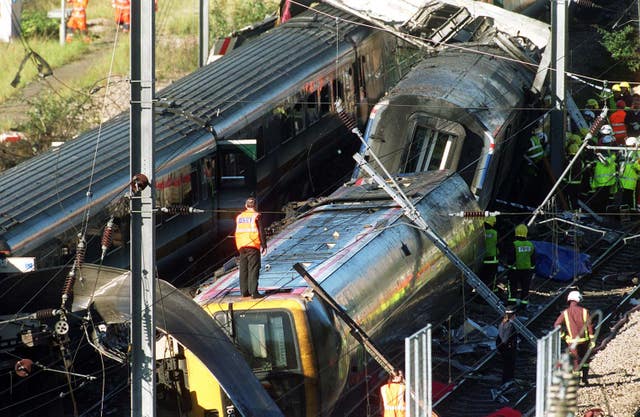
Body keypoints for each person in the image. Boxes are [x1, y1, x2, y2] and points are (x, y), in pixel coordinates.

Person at [554, 290, 595, 384]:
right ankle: (585, 379)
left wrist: (564, 336)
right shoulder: (585, 311)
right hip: (585, 341)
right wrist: (592, 339)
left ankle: (576, 382)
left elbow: (557, 325)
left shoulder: (565, 312)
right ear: (578, 299)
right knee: (585, 360)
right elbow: (590, 326)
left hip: (572, 342)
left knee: (575, 361)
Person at [235, 197, 267, 298]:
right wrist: (264, 245)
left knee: (243, 268)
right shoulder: (257, 216)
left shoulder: (239, 217)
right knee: (253, 268)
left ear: (246, 206)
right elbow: (261, 231)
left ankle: (244, 292)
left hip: (241, 245)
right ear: (255, 206)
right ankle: (254, 292)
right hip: (252, 244)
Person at [507, 224, 535, 306]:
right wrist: (532, 269)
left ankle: (511, 302)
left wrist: (509, 267)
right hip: (527, 270)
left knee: (513, 286)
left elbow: (511, 258)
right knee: (525, 287)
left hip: (515, 270)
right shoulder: (530, 245)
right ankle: (524, 303)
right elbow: (533, 259)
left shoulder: (514, 244)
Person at [589, 147, 617, 214]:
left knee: (603, 200)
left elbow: (606, 162)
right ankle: (601, 212)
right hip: (600, 182)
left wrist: (598, 154)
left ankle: (602, 213)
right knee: (601, 200)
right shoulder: (600, 159)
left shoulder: (611, 158)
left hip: (606, 182)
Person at [496, 307, 518, 384]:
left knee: (506, 367)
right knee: (509, 367)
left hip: (504, 349)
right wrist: (510, 346)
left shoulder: (502, 323)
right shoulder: (509, 325)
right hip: (508, 350)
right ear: (513, 315)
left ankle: (506, 381)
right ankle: (507, 382)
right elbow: (505, 339)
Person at [618, 137, 640, 210]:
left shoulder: (625, 152)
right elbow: (637, 166)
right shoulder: (636, 153)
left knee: (624, 198)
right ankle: (631, 212)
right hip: (631, 180)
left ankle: (624, 212)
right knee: (631, 198)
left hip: (623, 180)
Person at [481, 216, 499, 292]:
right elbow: (498, 243)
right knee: (492, 276)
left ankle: (482, 291)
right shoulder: (494, 233)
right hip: (492, 258)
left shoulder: (481, 232)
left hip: (482, 258)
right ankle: (493, 290)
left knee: (484, 276)